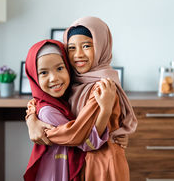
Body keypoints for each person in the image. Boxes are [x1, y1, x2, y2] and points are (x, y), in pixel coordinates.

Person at [26, 17, 138, 180]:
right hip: (84, 161)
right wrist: (31, 119)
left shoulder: (102, 87)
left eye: (86, 46)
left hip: (100, 163)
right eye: (71, 48)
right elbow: (41, 100)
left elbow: (81, 136)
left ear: (101, 46)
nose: (78, 55)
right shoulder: (75, 81)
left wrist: (105, 110)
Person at [23, 39, 117, 181]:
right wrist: (106, 110)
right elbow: (86, 142)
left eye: (60, 68)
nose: (54, 78)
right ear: (34, 78)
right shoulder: (48, 112)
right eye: (43, 73)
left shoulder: (66, 98)